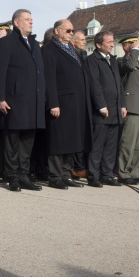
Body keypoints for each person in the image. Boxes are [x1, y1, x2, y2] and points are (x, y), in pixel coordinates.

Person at [0, 9, 45, 192]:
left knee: (27, 141)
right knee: (12, 141)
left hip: (32, 101)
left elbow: (39, 74)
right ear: (16, 22)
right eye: (27, 19)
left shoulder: (35, 44)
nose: (31, 22)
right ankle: (12, 176)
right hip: (13, 100)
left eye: (31, 19)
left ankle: (24, 174)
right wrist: (0, 98)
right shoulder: (7, 43)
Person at [41, 19, 89, 189]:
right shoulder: (49, 50)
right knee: (58, 140)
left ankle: (66, 173)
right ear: (57, 30)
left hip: (74, 102)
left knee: (71, 139)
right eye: (68, 30)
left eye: (72, 31)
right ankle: (55, 176)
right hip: (60, 101)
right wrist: (53, 102)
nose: (71, 33)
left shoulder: (71, 49)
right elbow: (49, 78)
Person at [85, 30, 126, 187]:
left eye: (112, 41)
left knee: (111, 145)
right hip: (102, 110)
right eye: (108, 41)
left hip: (115, 109)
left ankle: (107, 174)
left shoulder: (112, 60)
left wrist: (122, 104)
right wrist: (101, 105)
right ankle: (93, 175)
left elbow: (118, 84)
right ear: (98, 44)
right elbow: (94, 84)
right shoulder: (93, 60)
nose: (112, 44)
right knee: (98, 145)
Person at [117, 32, 139, 185]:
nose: (138, 46)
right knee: (128, 142)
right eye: (134, 43)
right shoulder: (121, 61)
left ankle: (135, 171)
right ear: (125, 46)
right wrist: (134, 52)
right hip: (131, 106)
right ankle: (123, 172)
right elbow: (129, 67)